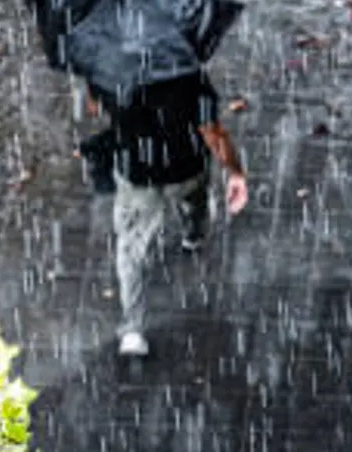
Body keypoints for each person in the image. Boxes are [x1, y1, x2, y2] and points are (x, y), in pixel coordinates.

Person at [88, 71, 248, 357]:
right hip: (186, 167)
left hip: (137, 173)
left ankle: (133, 330)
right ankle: (194, 234)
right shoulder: (188, 74)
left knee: (132, 249)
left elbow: (95, 107)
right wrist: (235, 171)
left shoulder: (108, 68)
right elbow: (211, 131)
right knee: (193, 198)